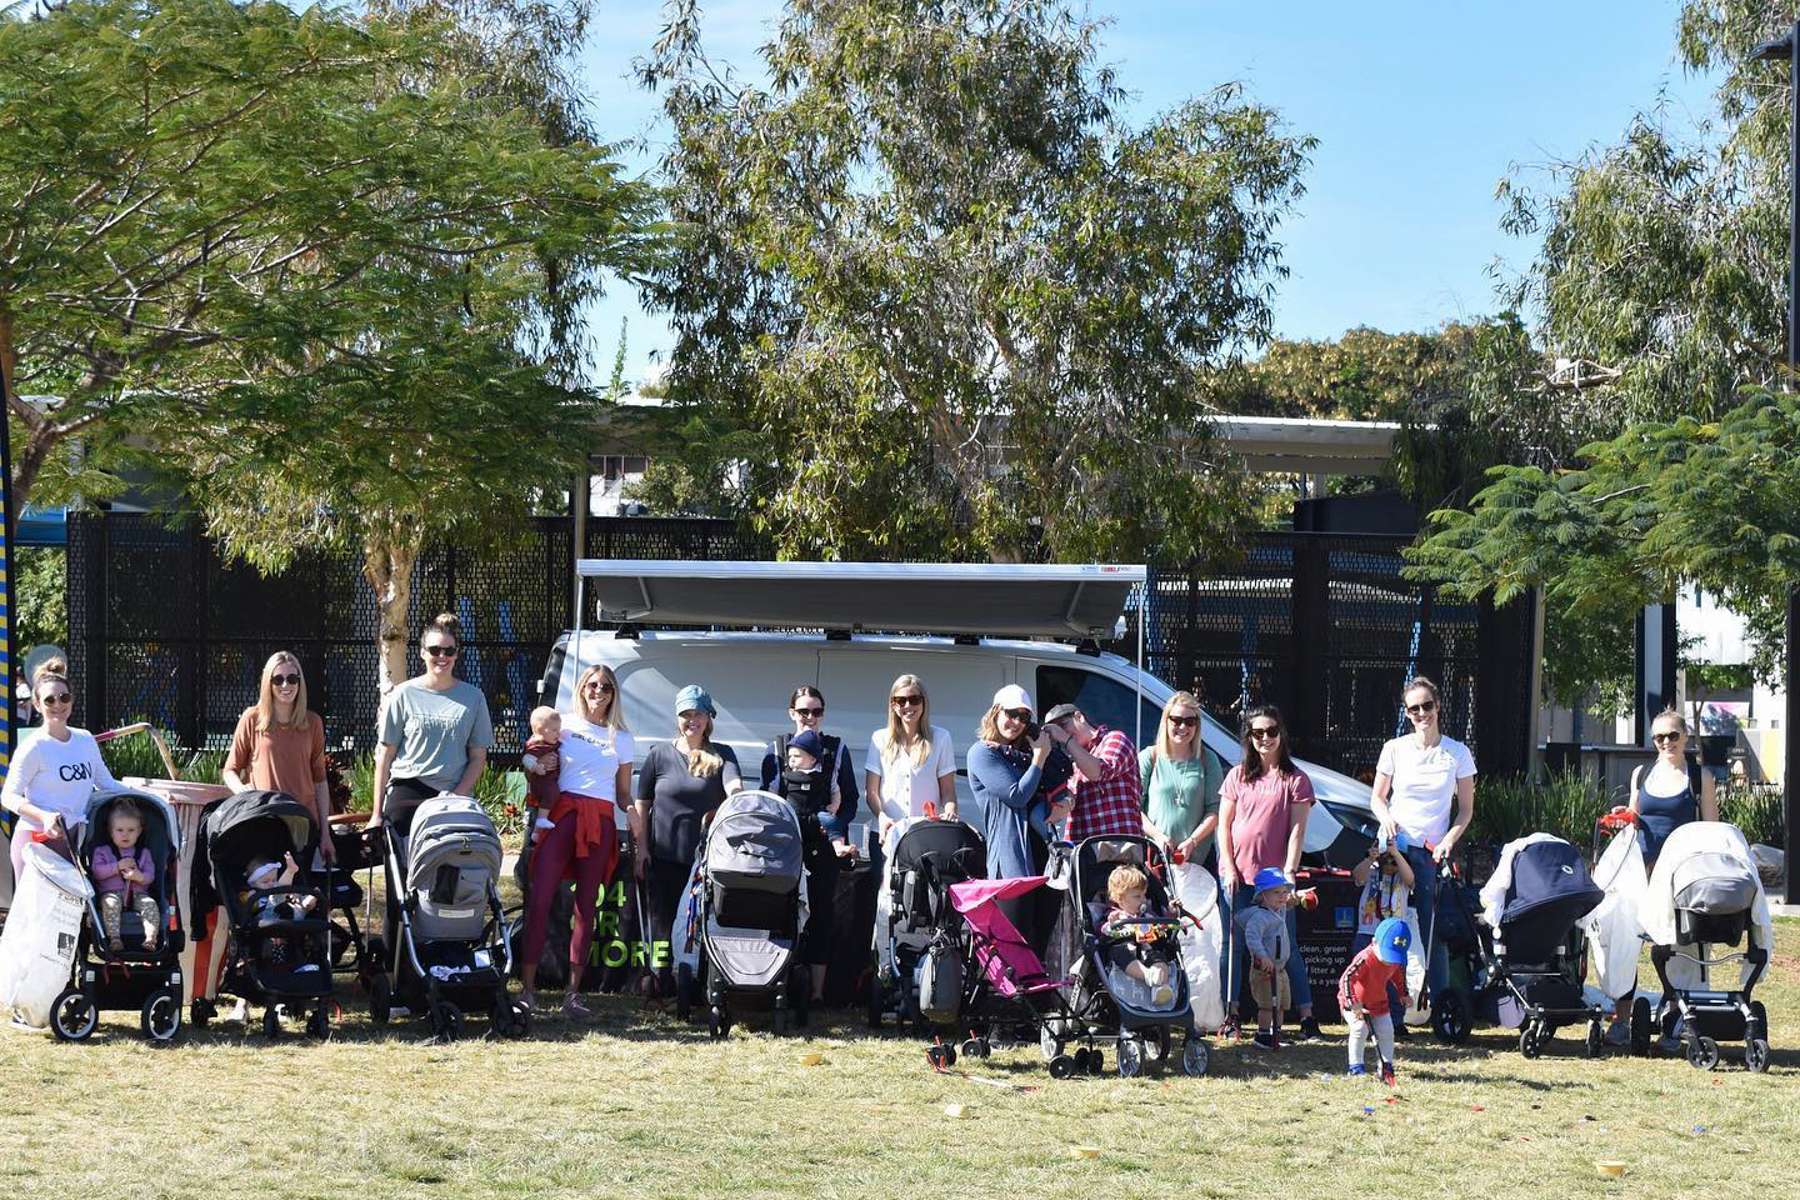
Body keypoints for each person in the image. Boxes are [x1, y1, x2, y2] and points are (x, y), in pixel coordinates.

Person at [520, 666, 635, 1018]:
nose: (598, 691)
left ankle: (573, 994)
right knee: (540, 899)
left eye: (606, 687)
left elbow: (623, 792)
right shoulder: (564, 726)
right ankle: (527, 989)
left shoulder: (622, 737)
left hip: (599, 821)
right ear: (582, 688)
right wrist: (535, 767)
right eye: (592, 684)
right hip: (562, 815)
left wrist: (633, 812)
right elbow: (533, 758)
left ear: (614, 694)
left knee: (587, 907)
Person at [1604, 706, 1718, 1045]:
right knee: (1624, 939)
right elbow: (1635, 814)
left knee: (1677, 946)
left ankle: (1674, 1016)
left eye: (1672, 735)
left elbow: (1712, 829)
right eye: (1659, 737)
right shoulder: (1643, 774)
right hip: (1641, 871)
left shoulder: (1699, 777)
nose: (1666, 742)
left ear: (1685, 737)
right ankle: (1622, 1020)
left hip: (1682, 875)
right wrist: (1623, 815)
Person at [1369, 676, 1475, 1017]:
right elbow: (1377, 797)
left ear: (1438, 706)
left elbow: (1466, 810)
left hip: (1431, 852)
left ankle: (1441, 1009)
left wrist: (1447, 841)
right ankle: (1389, 1009)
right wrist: (1385, 818)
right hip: (1397, 846)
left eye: (1426, 706)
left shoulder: (1457, 752)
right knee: (1390, 925)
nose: (1421, 714)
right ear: (1406, 713)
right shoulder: (1394, 748)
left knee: (1434, 932)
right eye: (1414, 709)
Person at [1216, 704, 1321, 1039]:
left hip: (1274, 881)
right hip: (1237, 875)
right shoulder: (1236, 775)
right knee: (1232, 948)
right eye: (1257, 733)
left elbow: (1297, 831)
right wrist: (1229, 866)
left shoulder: (1296, 780)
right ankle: (1231, 1014)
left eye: (1271, 731)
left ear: (1282, 734)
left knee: (1283, 948)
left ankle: (1305, 1017)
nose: (1265, 738)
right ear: (1248, 737)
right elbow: (1224, 825)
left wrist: (1289, 871)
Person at [634, 685, 742, 995]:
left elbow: (733, 785)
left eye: (698, 714)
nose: (691, 720)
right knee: (661, 927)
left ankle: (694, 983)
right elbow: (643, 803)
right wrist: (642, 849)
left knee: (698, 925)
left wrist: (736, 795)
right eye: (685, 714)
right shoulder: (659, 755)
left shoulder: (723, 754)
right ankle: (659, 979)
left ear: (709, 718)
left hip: (704, 861)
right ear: (677, 718)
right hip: (664, 854)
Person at [368, 612, 494, 834]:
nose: (442, 656)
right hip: (408, 787)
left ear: (456, 655)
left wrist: (457, 796)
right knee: (401, 856)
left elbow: (477, 758)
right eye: (435, 650)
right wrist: (376, 814)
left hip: (453, 793)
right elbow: (385, 755)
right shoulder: (402, 694)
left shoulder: (474, 697)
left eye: (449, 650)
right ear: (423, 653)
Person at [967, 685, 1067, 956]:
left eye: (1024, 718)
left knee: (1040, 947)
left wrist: (1064, 802)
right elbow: (1017, 795)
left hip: (1045, 859)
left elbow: (1062, 778)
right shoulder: (982, 753)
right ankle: (1007, 999)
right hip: (1012, 862)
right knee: (1015, 948)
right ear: (996, 712)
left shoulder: (1026, 753)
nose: (1017, 723)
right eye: (1011, 714)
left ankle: (1040, 998)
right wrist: (1038, 758)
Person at [3, 664, 120, 893]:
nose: (58, 705)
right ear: (37, 705)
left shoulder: (85, 740)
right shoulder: (33, 747)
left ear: (71, 701)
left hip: (73, 842)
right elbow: (8, 796)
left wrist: (146, 793)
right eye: (49, 700)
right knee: (36, 920)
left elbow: (107, 784)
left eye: (63, 697)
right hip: (36, 842)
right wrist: (44, 816)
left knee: (66, 920)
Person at [223, 651, 333, 863]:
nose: (286, 685)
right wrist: (243, 792)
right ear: (268, 683)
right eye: (278, 679)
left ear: (300, 683)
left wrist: (326, 835)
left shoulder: (313, 722)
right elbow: (230, 770)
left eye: (292, 679)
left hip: (302, 823)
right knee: (267, 889)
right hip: (263, 819)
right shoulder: (251, 719)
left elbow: (320, 780)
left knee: (302, 890)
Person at [773, 729, 854, 1005]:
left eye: (799, 756)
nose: (794, 761)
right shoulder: (780, 768)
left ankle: (818, 992)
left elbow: (840, 799)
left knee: (821, 915)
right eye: (791, 756)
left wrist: (832, 814)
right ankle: (777, 979)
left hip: (818, 835)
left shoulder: (826, 770)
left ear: (812, 758)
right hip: (791, 837)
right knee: (783, 912)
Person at [760, 685, 860, 850]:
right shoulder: (777, 749)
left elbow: (850, 799)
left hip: (824, 842)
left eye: (817, 712)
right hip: (786, 841)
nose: (810, 717)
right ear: (792, 713)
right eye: (803, 712)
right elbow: (766, 799)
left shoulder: (836, 749)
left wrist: (835, 824)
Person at [864, 674, 957, 846]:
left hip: (926, 834)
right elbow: (871, 792)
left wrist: (950, 811)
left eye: (914, 700)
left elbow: (948, 790)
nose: (908, 706)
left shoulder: (941, 738)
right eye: (901, 700)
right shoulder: (879, 738)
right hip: (888, 833)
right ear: (893, 705)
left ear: (923, 703)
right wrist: (882, 816)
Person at [1137, 691, 1221, 867]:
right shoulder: (1149, 757)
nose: (1183, 727)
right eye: (1176, 720)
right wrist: (1158, 837)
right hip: (1155, 858)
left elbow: (1215, 810)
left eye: (1190, 722)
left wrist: (1193, 840)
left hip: (1198, 861)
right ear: (1166, 721)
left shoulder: (1208, 759)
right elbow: (1134, 808)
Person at [1043, 704, 1145, 843]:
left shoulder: (1115, 739)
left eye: (1062, 725)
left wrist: (1067, 740)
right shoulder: (1070, 764)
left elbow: (1098, 772)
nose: (1059, 734)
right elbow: (1064, 804)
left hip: (1119, 850)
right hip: (1084, 854)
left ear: (1079, 717)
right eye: (1054, 733)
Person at [1340, 916, 1412, 1085]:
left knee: (1387, 1031)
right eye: (1387, 954)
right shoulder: (1365, 958)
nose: (1389, 961)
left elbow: (1398, 976)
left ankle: (1386, 1066)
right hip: (1355, 1003)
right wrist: (1353, 1003)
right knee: (1360, 1029)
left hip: (1379, 1002)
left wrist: (1403, 993)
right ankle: (1356, 1068)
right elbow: (1346, 978)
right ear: (1374, 942)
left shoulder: (1394, 962)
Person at [1099, 863, 1176, 1006]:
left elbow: (1161, 925)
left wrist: (1170, 914)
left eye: (1144, 895)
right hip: (1128, 953)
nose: (1143, 900)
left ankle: (1160, 988)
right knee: (1120, 952)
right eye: (1137, 896)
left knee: (1160, 957)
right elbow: (1104, 933)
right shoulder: (1114, 915)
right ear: (1120, 898)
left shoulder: (1145, 914)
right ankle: (1148, 976)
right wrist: (1111, 924)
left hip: (1147, 950)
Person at [1235, 867, 1295, 1049]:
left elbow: (1292, 901)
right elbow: (1252, 938)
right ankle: (1262, 1035)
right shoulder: (1259, 916)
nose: (1282, 896)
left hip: (1281, 969)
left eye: (1284, 892)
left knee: (1282, 1004)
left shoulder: (1279, 911)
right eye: (1276, 892)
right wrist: (1262, 956)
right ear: (1262, 895)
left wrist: (1298, 897)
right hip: (1265, 970)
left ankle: (1277, 1032)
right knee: (1268, 1005)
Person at [92, 797, 160, 953]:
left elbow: (151, 876)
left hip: (137, 895)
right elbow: (97, 872)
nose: (125, 835)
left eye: (131, 830)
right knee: (111, 904)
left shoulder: (144, 853)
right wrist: (117, 867)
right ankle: (114, 938)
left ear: (139, 831)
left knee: (150, 904)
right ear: (111, 832)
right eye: (120, 830)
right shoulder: (102, 852)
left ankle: (151, 938)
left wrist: (139, 877)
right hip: (111, 893)